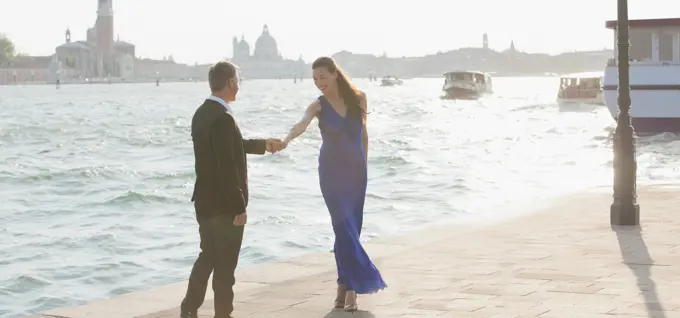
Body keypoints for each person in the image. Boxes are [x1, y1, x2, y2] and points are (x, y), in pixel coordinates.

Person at [279, 56, 386, 312]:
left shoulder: (359, 98)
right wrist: (285, 140)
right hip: (331, 174)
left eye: (323, 77)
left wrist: (365, 165)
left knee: (351, 230)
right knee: (343, 228)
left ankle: (341, 285)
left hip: (356, 174)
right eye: (315, 79)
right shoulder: (318, 106)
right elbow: (301, 124)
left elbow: (364, 134)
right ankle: (351, 290)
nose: (319, 83)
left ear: (335, 74)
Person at [180, 61, 283, 318]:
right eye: (238, 81)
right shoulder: (224, 118)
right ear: (230, 83)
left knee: (207, 257)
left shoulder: (202, 113)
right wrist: (239, 207)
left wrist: (263, 145)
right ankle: (223, 315)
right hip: (225, 205)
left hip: (204, 201)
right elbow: (227, 165)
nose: (239, 86)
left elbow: (229, 146)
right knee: (225, 268)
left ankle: (189, 309)